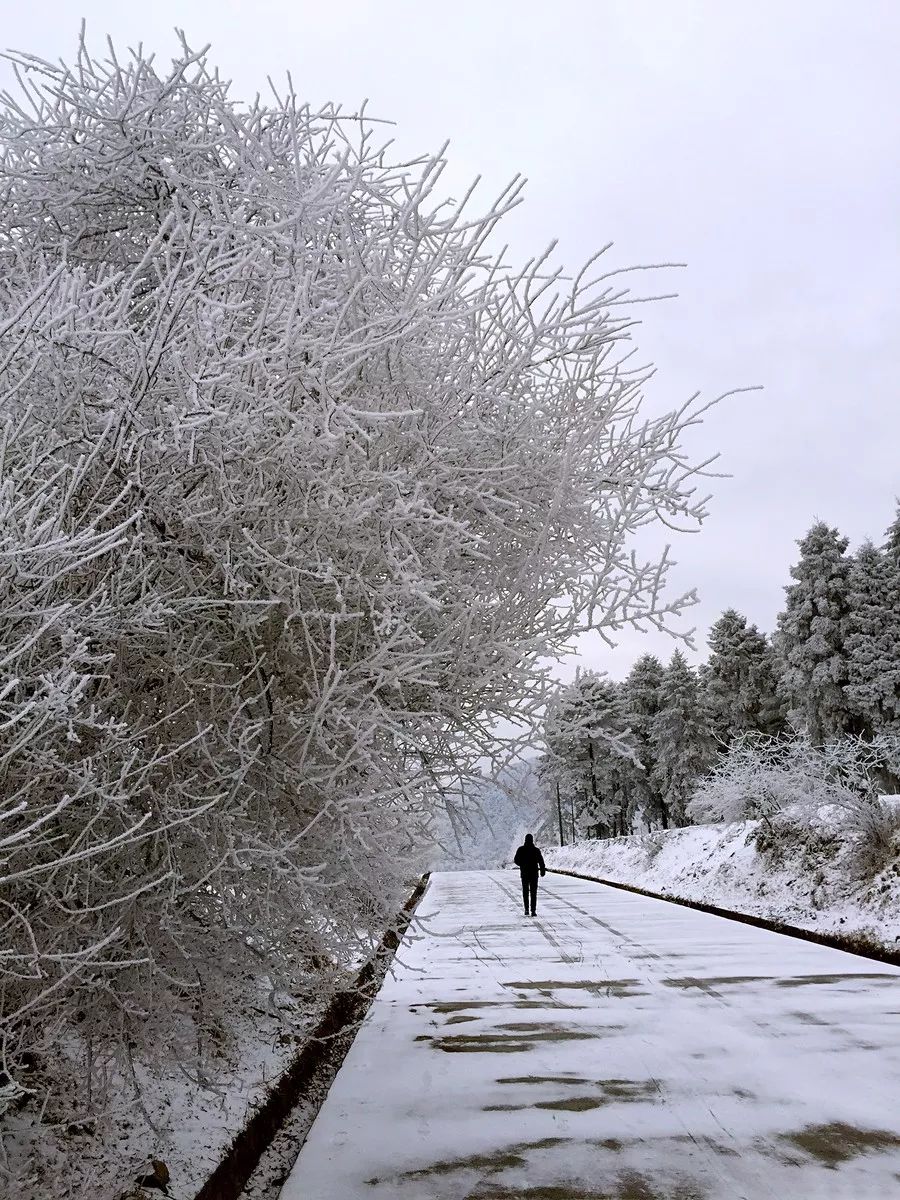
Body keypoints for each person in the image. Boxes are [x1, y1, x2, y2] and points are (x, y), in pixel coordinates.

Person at [513, 833, 546, 916]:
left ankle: (526, 909)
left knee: (525, 892)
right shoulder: (536, 850)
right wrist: (542, 870)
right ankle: (533, 910)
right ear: (532, 840)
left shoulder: (521, 849)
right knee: (533, 893)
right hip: (534, 874)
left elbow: (516, 860)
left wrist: (522, 864)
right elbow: (541, 861)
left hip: (524, 874)